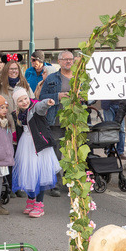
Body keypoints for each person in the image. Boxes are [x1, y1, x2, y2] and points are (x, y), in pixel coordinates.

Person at [11, 87, 59, 217]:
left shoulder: (34, 108)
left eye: (25, 98)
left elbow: (41, 107)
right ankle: (31, 199)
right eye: (20, 100)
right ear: (17, 103)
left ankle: (39, 204)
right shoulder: (18, 114)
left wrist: (47, 102)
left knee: (39, 174)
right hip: (26, 146)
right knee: (28, 173)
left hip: (39, 146)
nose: (24, 102)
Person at [38, 50, 76, 197]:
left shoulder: (78, 78)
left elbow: (89, 98)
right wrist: (57, 96)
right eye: (65, 59)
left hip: (73, 122)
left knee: (71, 153)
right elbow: (42, 97)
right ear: (59, 62)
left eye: (70, 59)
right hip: (56, 122)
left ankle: (68, 182)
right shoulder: (52, 78)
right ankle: (54, 183)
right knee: (55, 153)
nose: (68, 62)